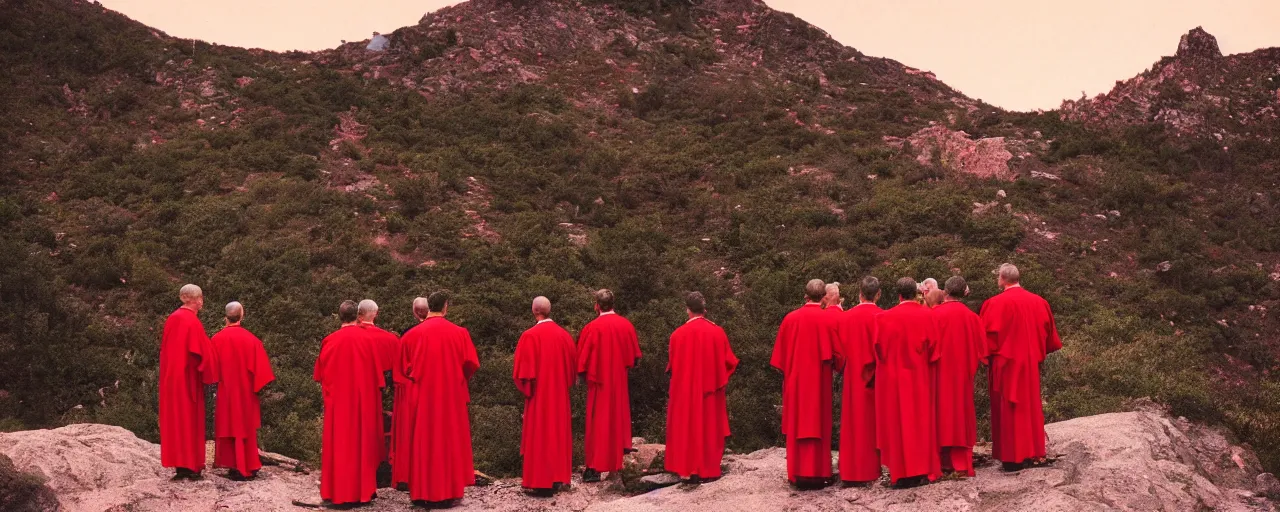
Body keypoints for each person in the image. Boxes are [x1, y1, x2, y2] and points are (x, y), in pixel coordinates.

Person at [980, 264, 1063, 471]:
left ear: (1002, 279)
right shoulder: (1039, 302)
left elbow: (986, 339)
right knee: (1030, 407)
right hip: (1030, 363)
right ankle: (1032, 451)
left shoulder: (993, 303)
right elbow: (1050, 337)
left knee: (1008, 409)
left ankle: (1011, 458)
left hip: (1005, 364)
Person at [402, 291, 480, 506]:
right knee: (449, 440)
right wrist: (458, 380)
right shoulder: (460, 333)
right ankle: (449, 492)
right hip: (450, 395)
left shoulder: (412, 335)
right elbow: (471, 363)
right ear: (445, 307)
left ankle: (422, 493)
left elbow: (403, 369)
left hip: (423, 396)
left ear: (428, 307)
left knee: (424, 441)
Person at [314, 300, 386, 506]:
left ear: (339, 317)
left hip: (338, 404)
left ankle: (337, 492)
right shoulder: (368, 339)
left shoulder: (330, 340)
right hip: (362, 403)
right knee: (362, 447)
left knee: (339, 447)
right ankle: (364, 492)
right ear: (357, 316)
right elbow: (378, 379)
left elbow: (320, 374)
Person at [874, 278, 942, 487]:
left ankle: (900, 472)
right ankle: (920, 469)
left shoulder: (884, 318)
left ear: (899, 295)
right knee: (920, 424)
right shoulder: (928, 316)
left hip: (894, 380)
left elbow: (879, 350)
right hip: (920, 377)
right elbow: (935, 351)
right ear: (916, 294)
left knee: (897, 425)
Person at [665, 292, 738, 484]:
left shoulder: (676, 335)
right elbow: (730, 362)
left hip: (686, 392)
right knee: (710, 428)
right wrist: (718, 380)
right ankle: (710, 470)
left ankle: (689, 470)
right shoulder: (717, 331)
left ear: (687, 310)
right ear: (704, 310)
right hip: (711, 391)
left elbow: (672, 367)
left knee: (688, 428)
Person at [769, 279, 836, 488]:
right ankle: (820, 472)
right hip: (820, 383)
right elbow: (837, 355)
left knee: (798, 424)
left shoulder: (790, 319)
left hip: (796, 382)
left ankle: (796, 473)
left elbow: (779, 359)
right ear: (824, 295)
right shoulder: (828, 320)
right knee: (820, 424)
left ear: (805, 294)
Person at [513, 296, 577, 496]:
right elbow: (572, 371)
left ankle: (541, 482)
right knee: (557, 435)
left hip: (539, 396)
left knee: (540, 436)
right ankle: (558, 478)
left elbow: (522, 374)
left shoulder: (529, 336)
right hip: (559, 396)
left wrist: (528, 392)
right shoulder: (564, 336)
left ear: (534, 311)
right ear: (549, 311)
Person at [576, 289, 642, 483]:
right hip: (619, 379)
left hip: (599, 382)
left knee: (598, 421)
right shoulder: (626, 325)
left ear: (597, 305)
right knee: (619, 412)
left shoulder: (591, 328)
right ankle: (622, 447)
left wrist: (581, 376)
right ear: (613, 303)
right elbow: (635, 358)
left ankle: (594, 468)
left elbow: (582, 360)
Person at [159, 284, 218, 480]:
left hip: (170, 379)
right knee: (190, 421)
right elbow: (204, 353)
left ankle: (180, 466)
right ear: (198, 300)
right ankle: (192, 466)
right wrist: (210, 374)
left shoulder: (172, 319)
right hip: (188, 379)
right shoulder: (191, 322)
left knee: (175, 422)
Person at [210, 302, 275, 481]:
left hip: (225, 392)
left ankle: (233, 464)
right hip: (246, 392)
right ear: (241, 316)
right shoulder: (252, 340)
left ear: (226, 317)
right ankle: (248, 465)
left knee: (229, 426)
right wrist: (255, 388)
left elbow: (210, 371)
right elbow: (263, 373)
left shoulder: (216, 339)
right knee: (244, 428)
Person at [932, 276, 986, 477]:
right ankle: (962, 464)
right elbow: (983, 351)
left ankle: (942, 461)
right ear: (965, 292)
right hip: (963, 375)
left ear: (945, 292)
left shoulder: (934, 314)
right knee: (961, 416)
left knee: (940, 416)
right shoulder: (972, 317)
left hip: (938, 375)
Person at [833, 277, 882, 485]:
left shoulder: (846, 317)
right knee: (874, 423)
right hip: (877, 378)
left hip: (853, 376)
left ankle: (851, 470)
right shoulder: (883, 316)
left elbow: (838, 351)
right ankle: (872, 469)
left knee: (853, 423)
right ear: (878, 294)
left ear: (859, 293)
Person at [391, 296, 431, 489]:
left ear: (415, 312)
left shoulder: (408, 335)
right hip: (441, 391)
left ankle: (409, 475)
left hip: (412, 391)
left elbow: (399, 369)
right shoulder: (450, 332)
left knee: (412, 434)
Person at [357, 299, 399, 465]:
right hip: (377, 394)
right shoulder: (390, 340)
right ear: (376, 313)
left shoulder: (346, 337)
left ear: (358, 314)